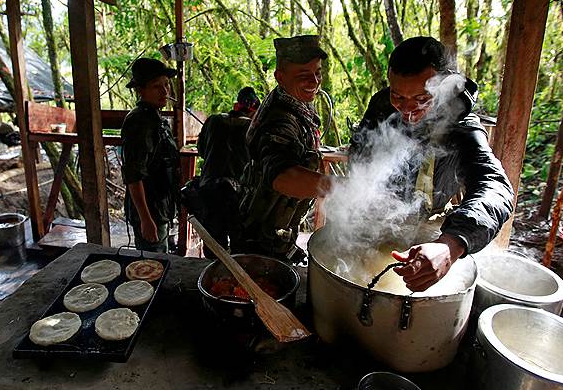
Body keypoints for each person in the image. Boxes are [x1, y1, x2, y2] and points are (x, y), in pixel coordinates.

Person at [351, 36, 514, 291]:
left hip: (433, 230)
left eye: (422, 98)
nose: (408, 110)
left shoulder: (461, 125)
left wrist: (450, 245)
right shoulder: (381, 108)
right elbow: (360, 156)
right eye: (399, 97)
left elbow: (495, 186)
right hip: (377, 221)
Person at [235, 35, 332, 263]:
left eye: (317, 72)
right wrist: (342, 188)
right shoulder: (279, 120)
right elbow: (282, 177)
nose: (314, 82)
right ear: (280, 77)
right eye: (303, 76)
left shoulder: (295, 104)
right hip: (259, 235)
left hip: (275, 228)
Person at [121, 58, 180, 253]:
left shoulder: (156, 119)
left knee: (159, 258)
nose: (165, 92)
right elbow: (133, 175)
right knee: (152, 265)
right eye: (157, 86)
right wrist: (146, 219)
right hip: (150, 211)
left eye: (166, 85)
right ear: (140, 90)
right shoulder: (139, 122)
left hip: (160, 208)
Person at [192, 87, 261, 256]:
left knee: (214, 244)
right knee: (240, 246)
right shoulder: (252, 129)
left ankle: (212, 276)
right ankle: (237, 276)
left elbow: (201, 150)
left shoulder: (213, 121)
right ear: (255, 111)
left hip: (210, 190)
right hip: (238, 194)